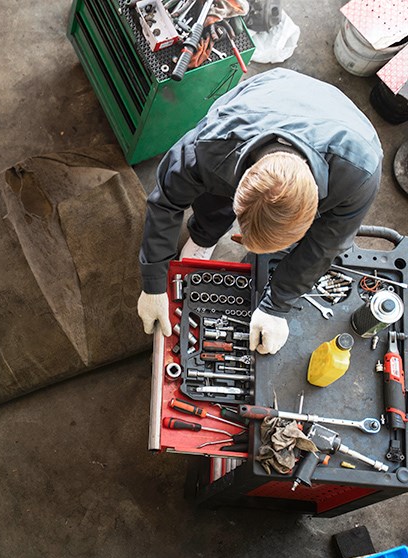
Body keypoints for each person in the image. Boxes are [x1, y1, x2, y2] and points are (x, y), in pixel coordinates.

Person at [136, 68, 383, 355]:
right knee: (212, 198)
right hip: (272, 92)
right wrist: (153, 282)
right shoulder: (211, 145)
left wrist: (277, 305)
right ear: (240, 187)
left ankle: (209, 233)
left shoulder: (359, 176)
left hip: (343, 125)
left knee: (324, 244)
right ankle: (204, 235)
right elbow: (166, 201)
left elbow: (324, 245)